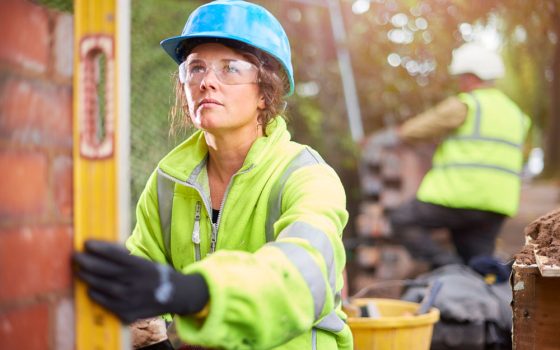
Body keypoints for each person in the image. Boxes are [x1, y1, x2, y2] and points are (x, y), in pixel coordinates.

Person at [73, 1, 352, 349]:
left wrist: (195, 292)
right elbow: (142, 276)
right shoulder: (168, 181)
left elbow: (302, 279)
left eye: (230, 68)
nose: (207, 82)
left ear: (265, 92)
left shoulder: (307, 176)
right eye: (196, 68)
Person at [388, 42, 531, 268]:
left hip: (457, 197)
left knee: (402, 220)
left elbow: (412, 131)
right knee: (477, 263)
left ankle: (449, 268)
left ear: (471, 77)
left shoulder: (466, 105)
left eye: (462, 77)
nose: (460, 83)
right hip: (497, 204)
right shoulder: (517, 115)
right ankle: (480, 289)